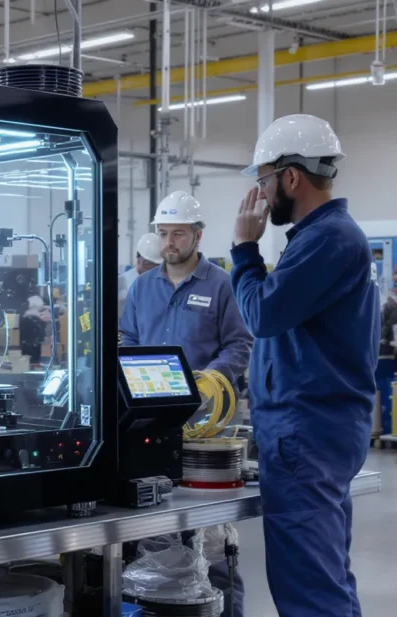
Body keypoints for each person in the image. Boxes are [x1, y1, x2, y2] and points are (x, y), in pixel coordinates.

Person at [230, 114, 379, 617]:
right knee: (325, 575)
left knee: (309, 590)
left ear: (290, 176)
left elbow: (263, 314)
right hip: (315, 428)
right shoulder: (327, 238)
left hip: (306, 432)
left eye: (264, 181)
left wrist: (244, 250)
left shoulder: (328, 239)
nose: (261, 194)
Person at [119, 190, 253, 615]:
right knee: (156, 531)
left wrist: (211, 380)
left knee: (213, 540)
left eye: (178, 233)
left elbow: (239, 343)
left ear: (197, 235)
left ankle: (226, 610)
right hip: (151, 421)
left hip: (205, 427)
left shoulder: (222, 284)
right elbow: (128, 340)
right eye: (163, 233)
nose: (169, 242)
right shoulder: (142, 287)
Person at [118, 232, 163, 318]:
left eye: (157, 266)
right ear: (139, 260)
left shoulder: (161, 283)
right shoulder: (122, 283)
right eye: (148, 264)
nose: (152, 270)